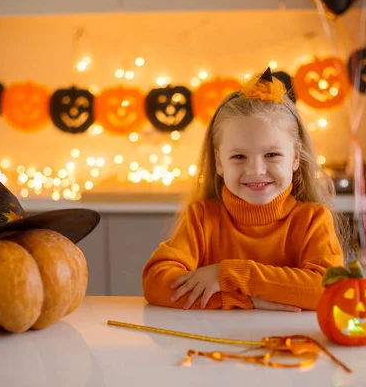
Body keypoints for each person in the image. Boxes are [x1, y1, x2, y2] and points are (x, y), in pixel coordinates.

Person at [142, 67, 351, 312]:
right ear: (219, 163)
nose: (255, 170)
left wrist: (231, 274)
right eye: (239, 156)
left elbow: (326, 290)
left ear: (295, 157)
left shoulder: (312, 221)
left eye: (272, 154)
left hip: (291, 344)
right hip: (214, 346)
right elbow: (157, 283)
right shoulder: (202, 218)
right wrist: (245, 301)